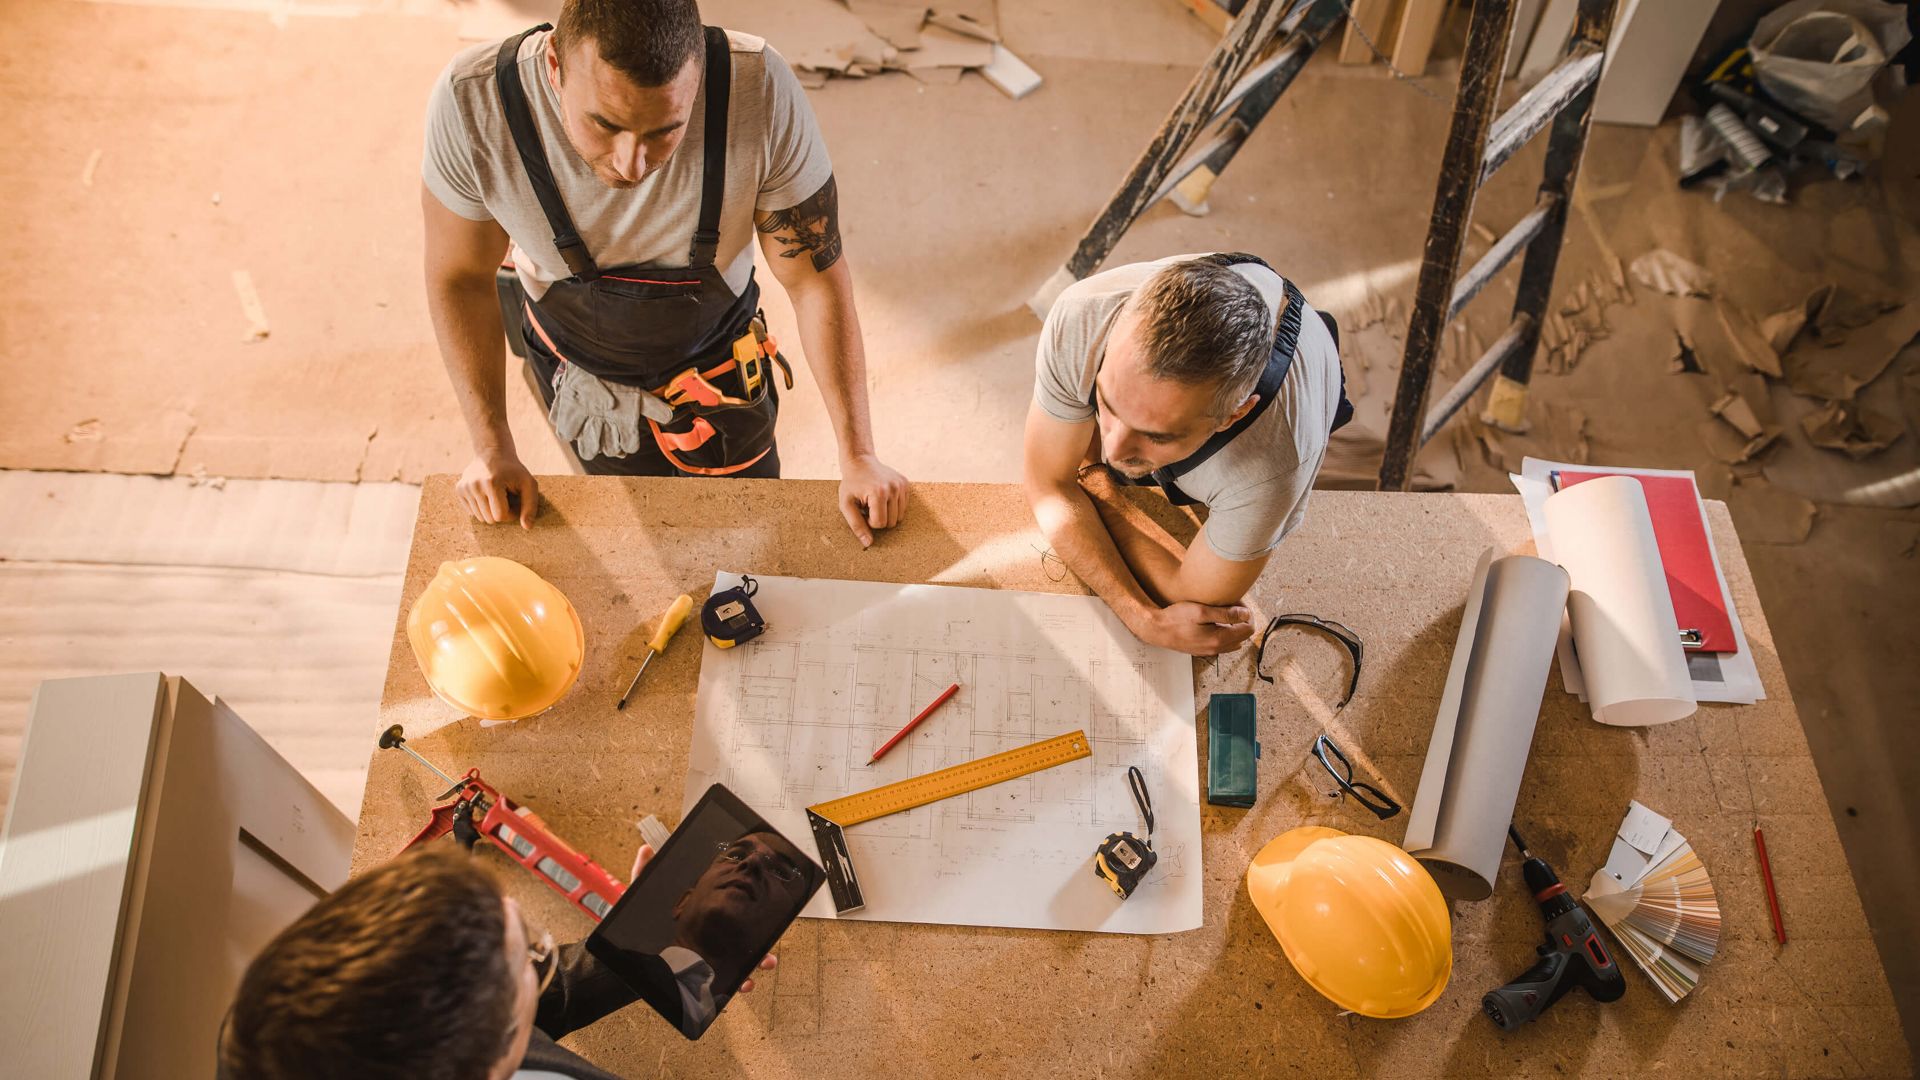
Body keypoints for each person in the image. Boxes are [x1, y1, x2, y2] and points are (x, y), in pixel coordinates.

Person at [423, 0, 909, 546]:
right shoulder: (476, 101)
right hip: (576, 364)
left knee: (744, 536)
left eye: (664, 130)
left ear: (698, 74)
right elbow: (460, 278)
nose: (631, 164)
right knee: (637, 530)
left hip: (719, 363)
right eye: (604, 124)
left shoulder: (758, 89)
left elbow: (813, 276)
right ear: (554, 66)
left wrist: (858, 453)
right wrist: (491, 448)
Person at [1022, 253, 1350, 657]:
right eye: (1106, 404)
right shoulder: (1082, 318)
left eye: (1155, 435)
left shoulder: (1272, 464)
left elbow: (1188, 598)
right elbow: (1048, 483)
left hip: (1285, 399)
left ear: (1234, 414)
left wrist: (1089, 481)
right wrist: (1142, 617)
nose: (1112, 449)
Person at [216, 844, 772, 1080]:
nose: (543, 957)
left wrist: (659, 947)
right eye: (531, 952)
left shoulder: (278, 1025)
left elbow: (545, 1003)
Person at [621, 830, 814, 1037]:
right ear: (682, 902)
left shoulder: (717, 1023)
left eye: (780, 871)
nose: (752, 863)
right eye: (736, 855)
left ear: (780, 926)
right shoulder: (617, 964)